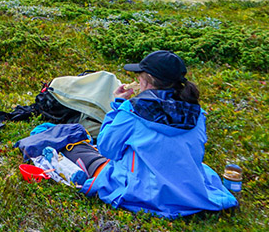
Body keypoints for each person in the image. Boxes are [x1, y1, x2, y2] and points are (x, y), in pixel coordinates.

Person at [71, 50, 238, 218]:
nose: (137, 79)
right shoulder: (197, 113)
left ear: (148, 80)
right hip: (189, 190)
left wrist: (118, 105)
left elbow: (107, 148)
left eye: (139, 76)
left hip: (147, 194)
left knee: (81, 151)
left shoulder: (132, 111)